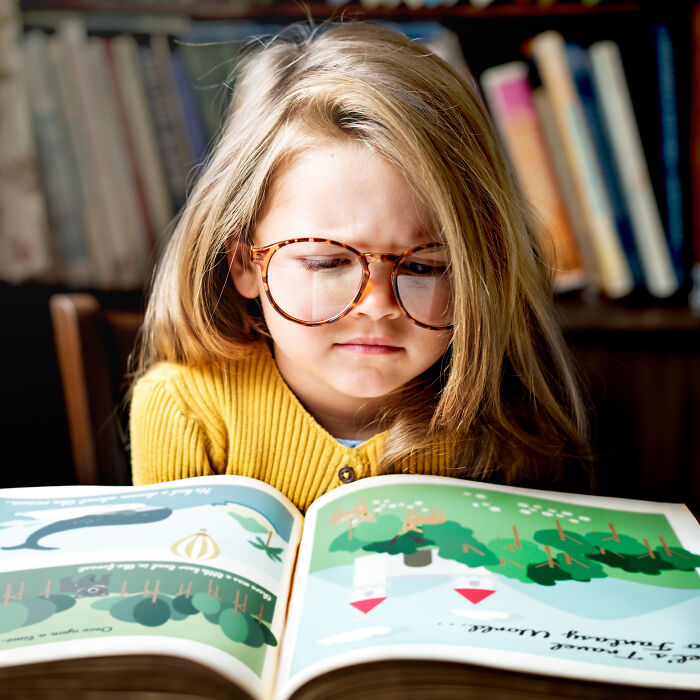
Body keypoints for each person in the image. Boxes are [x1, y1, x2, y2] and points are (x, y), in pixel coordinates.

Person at [129, 20, 593, 512]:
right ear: (244, 263)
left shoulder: (508, 432)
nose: (377, 307)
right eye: (327, 261)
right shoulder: (183, 412)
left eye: (424, 268)